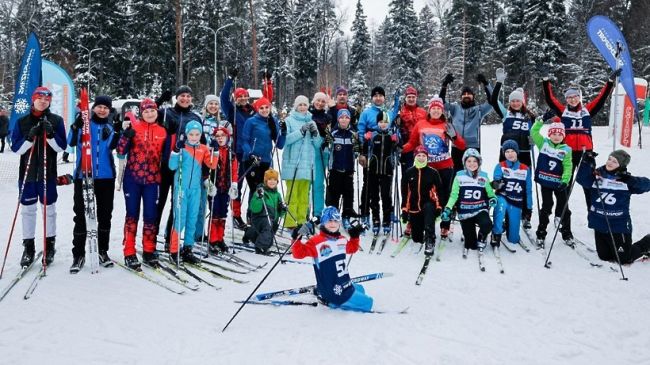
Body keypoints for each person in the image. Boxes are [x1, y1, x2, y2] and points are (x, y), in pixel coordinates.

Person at [542, 68, 620, 208]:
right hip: (568, 153)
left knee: (589, 184)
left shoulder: (587, 110)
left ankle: (593, 213)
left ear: (579, 97)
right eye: (569, 97)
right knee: (565, 183)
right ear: (566, 99)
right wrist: (546, 81)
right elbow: (550, 99)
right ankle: (562, 214)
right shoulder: (563, 111)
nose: (573, 99)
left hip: (586, 153)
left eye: (575, 97)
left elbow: (601, 99)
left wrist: (609, 82)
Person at [11, 87, 67, 267]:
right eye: (39, 98)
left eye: (47, 98)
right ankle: (28, 248)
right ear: (33, 100)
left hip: (47, 174)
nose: (43, 101)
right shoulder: (22, 122)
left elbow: (61, 147)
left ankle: (49, 246)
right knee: (28, 211)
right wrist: (29, 137)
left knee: (49, 210)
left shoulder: (56, 120)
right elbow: (16, 149)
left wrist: (50, 134)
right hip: (27, 175)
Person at [67, 95, 119, 273]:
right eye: (99, 107)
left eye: (106, 107)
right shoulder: (84, 124)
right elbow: (70, 142)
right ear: (93, 108)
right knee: (81, 216)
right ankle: (78, 254)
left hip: (105, 177)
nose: (102, 110)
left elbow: (116, 147)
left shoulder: (110, 127)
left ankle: (102, 251)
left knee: (105, 216)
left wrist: (117, 133)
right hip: (84, 176)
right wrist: (75, 127)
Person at [401, 96, 465, 239]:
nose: (436, 111)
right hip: (425, 166)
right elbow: (412, 143)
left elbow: (461, 145)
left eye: (438, 109)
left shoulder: (447, 125)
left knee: (444, 196)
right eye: (433, 108)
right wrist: (401, 148)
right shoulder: (421, 124)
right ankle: (414, 220)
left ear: (442, 111)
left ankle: (445, 224)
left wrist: (454, 137)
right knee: (418, 194)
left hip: (444, 166)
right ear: (429, 110)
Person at [116, 98, 167, 270]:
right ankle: (129, 252)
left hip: (153, 181)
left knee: (151, 216)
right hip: (133, 179)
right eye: (146, 111)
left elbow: (167, 156)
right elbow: (120, 151)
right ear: (141, 113)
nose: (150, 113)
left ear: (157, 112)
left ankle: (149, 250)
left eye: (152, 110)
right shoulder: (134, 128)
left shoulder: (162, 131)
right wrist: (125, 136)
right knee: (132, 215)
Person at [291, 206, 371, 312]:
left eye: (335, 221)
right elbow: (298, 254)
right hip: (334, 290)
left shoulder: (341, 239)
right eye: (329, 220)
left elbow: (352, 248)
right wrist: (296, 237)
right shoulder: (316, 242)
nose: (332, 224)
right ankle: (332, 302)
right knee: (368, 303)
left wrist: (355, 236)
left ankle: (327, 294)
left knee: (361, 289)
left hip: (343, 283)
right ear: (323, 223)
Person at [221, 68, 274, 230]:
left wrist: (268, 82)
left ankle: (253, 213)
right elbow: (223, 98)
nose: (243, 98)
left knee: (255, 186)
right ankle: (236, 215)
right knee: (237, 185)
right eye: (239, 97)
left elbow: (267, 99)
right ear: (235, 98)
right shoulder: (232, 110)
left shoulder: (253, 110)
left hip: (254, 154)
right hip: (238, 153)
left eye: (245, 96)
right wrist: (230, 79)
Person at [577, 150, 650, 263]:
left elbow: (647, 185)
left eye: (615, 161)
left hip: (618, 225)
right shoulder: (597, 176)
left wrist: (632, 181)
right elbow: (581, 179)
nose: (610, 162)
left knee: (624, 259)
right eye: (609, 159)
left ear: (620, 165)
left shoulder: (625, 180)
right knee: (604, 257)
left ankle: (647, 242)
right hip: (600, 224)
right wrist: (586, 162)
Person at [155, 85, 203, 249]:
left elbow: (201, 143)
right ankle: (151, 238)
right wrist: (160, 100)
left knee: (177, 204)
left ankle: (170, 238)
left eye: (188, 96)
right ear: (176, 97)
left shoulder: (195, 117)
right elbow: (147, 113)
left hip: (183, 168)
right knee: (159, 202)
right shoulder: (167, 112)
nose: (185, 99)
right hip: (164, 164)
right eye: (182, 95)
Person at [168, 121, 218, 265]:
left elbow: (212, 165)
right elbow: (172, 166)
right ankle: (174, 250)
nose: (194, 137)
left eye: (197, 134)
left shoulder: (203, 148)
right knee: (180, 219)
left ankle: (187, 249)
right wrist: (176, 151)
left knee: (192, 219)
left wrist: (215, 151)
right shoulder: (182, 148)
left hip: (196, 190)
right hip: (181, 189)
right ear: (186, 134)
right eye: (191, 134)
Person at [357, 86, 400, 226]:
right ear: (372, 98)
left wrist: (397, 100)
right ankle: (365, 212)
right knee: (369, 186)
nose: (378, 98)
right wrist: (362, 153)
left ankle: (389, 213)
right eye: (375, 96)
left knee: (386, 189)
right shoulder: (366, 113)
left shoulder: (387, 112)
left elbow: (394, 123)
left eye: (380, 95)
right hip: (371, 155)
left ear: (384, 98)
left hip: (386, 158)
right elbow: (361, 131)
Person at [442, 149, 496, 255]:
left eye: (475, 161)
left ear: (479, 162)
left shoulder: (483, 176)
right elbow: (454, 196)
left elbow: (490, 193)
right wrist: (448, 208)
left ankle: (482, 236)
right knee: (471, 245)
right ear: (464, 162)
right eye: (469, 161)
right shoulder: (459, 176)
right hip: (465, 212)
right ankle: (468, 233)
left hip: (480, 209)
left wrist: (493, 198)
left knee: (487, 224)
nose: (472, 164)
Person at [530, 118, 573, 248]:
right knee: (547, 206)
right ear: (549, 134)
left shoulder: (566, 149)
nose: (556, 136)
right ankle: (541, 234)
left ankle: (566, 232)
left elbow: (568, 166)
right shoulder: (543, 144)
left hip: (559, 183)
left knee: (564, 208)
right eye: (554, 134)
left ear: (563, 136)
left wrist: (565, 181)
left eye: (559, 134)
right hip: (546, 182)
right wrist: (540, 121)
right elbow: (534, 132)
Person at [439, 73, 494, 172]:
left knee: (473, 174)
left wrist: (486, 84)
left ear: (473, 96)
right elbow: (441, 102)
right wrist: (444, 85)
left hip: (473, 146)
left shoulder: (479, 110)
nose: (466, 95)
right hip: (457, 146)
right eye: (464, 94)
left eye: (469, 94)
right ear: (461, 97)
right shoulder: (455, 109)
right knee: (456, 173)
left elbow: (492, 102)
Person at [281, 95, 320, 231]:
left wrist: (315, 135)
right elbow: (286, 140)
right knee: (292, 195)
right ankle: (290, 221)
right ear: (296, 106)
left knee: (304, 196)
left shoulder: (312, 121)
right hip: (294, 164)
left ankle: (302, 220)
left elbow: (318, 144)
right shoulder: (289, 120)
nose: (303, 107)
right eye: (300, 105)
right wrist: (301, 131)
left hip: (307, 165)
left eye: (305, 104)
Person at [240, 97, 286, 205]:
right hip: (252, 160)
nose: (264, 110)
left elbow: (279, 144)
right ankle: (252, 216)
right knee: (256, 189)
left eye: (267, 107)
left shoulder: (272, 121)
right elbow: (244, 141)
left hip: (266, 161)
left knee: (267, 189)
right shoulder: (251, 121)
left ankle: (265, 216)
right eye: (261, 108)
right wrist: (250, 153)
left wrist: (283, 132)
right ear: (257, 109)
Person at [362, 111, 399, 235]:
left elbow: (399, 148)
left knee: (386, 196)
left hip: (387, 170)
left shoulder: (391, 134)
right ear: (377, 123)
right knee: (374, 196)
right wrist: (365, 141)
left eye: (385, 122)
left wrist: (396, 141)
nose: (383, 124)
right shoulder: (373, 135)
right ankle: (376, 218)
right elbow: (364, 149)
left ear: (389, 123)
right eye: (381, 122)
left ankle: (387, 220)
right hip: (373, 170)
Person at [490, 140, 533, 248]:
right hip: (503, 197)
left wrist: (528, 207)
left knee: (513, 239)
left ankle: (509, 226)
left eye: (512, 151)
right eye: (507, 151)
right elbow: (496, 179)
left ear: (517, 152)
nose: (510, 154)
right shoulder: (500, 166)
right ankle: (496, 233)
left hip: (517, 201)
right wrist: (496, 184)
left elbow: (528, 189)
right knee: (500, 208)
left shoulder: (525, 169)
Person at [400, 146, 442, 256]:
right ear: (415, 157)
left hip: (428, 205)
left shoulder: (433, 172)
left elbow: (438, 192)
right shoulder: (409, 172)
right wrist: (405, 209)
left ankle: (430, 239)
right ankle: (415, 226)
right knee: (417, 238)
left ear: (427, 158)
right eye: (419, 155)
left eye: (424, 156)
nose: (421, 158)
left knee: (428, 209)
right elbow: (405, 193)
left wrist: (438, 207)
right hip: (414, 208)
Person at [326, 109, 359, 230]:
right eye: (341, 117)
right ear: (338, 119)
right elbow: (328, 148)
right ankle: (333, 217)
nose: (344, 119)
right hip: (335, 169)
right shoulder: (333, 133)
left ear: (349, 119)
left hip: (349, 170)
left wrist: (357, 148)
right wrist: (327, 140)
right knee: (334, 195)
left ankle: (346, 216)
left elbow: (357, 150)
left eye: (346, 117)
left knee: (348, 195)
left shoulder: (353, 133)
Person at [242, 169, 286, 255]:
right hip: (260, 219)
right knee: (267, 233)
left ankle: (249, 233)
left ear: (277, 182)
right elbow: (254, 208)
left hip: (272, 222)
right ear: (265, 181)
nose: (272, 182)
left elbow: (280, 214)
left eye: (274, 180)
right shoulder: (260, 192)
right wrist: (258, 198)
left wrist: (282, 209)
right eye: (269, 179)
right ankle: (260, 246)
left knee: (269, 235)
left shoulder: (278, 195)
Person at [309, 92, 333, 218]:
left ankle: (318, 212)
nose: (320, 103)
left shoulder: (327, 117)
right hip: (308, 150)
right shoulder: (307, 114)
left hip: (322, 150)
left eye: (323, 101)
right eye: (318, 100)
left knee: (318, 183)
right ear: (313, 101)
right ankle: (304, 212)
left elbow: (331, 133)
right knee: (307, 182)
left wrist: (327, 140)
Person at [396, 85, 427, 174]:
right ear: (405, 98)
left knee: (421, 173)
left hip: (420, 148)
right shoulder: (400, 112)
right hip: (406, 147)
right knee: (407, 174)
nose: (411, 99)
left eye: (413, 97)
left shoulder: (423, 112)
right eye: (409, 97)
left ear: (416, 98)